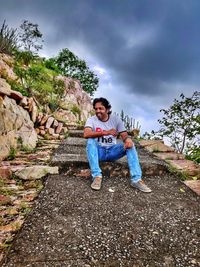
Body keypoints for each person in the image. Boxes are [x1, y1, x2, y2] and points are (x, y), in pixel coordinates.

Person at [84, 97, 152, 193]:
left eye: (101, 108)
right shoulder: (91, 120)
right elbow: (86, 134)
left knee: (130, 145)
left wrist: (128, 140)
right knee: (90, 141)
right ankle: (97, 176)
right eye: (96, 109)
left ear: (107, 109)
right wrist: (105, 132)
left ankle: (136, 180)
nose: (98, 111)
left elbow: (124, 135)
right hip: (99, 152)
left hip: (112, 151)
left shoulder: (116, 120)